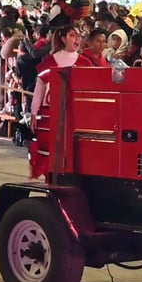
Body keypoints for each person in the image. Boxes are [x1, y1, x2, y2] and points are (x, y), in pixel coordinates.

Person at [29, 26, 93, 179]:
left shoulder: (85, 63)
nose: (77, 39)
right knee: (50, 155)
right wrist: (33, 113)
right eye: (72, 35)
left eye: (78, 36)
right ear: (63, 39)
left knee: (72, 155)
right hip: (49, 117)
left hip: (75, 117)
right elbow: (39, 90)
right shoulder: (50, 61)